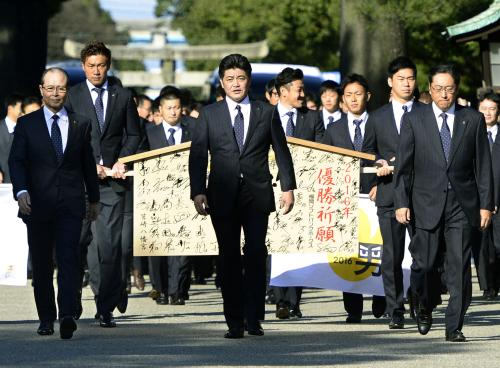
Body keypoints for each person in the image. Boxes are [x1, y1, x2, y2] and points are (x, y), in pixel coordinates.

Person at [189, 53, 296, 338]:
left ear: (249, 80)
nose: (236, 84)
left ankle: (253, 317)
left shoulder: (266, 112)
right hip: (221, 193)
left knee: (256, 253)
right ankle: (234, 321)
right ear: (222, 84)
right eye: (229, 79)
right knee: (228, 257)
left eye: (240, 78)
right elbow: (198, 155)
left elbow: (282, 151)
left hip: (256, 192)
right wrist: (197, 190)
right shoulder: (210, 115)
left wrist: (288, 187)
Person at [394, 64, 493, 342]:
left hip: (461, 203)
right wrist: (402, 201)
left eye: (449, 88)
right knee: (424, 265)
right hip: (425, 202)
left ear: (456, 89)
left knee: (459, 266)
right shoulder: (414, 118)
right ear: (429, 89)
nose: (444, 94)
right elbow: (404, 167)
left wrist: (486, 204)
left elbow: (482, 165)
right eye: (438, 88)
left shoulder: (471, 119)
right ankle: (423, 304)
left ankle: (454, 326)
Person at [8, 67, 99, 339]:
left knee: (70, 260)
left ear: (66, 91)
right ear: (41, 90)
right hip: (37, 204)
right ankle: (46, 318)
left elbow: (87, 165)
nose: (55, 93)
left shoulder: (80, 123)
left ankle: (67, 314)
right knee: (43, 264)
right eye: (50, 88)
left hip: (71, 204)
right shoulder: (27, 124)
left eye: (60, 88)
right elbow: (17, 161)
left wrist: (93, 199)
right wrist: (21, 190)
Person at [65, 40, 141, 328]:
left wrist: (124, 159)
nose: (97, 71)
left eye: (101, 65)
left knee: (107, 249)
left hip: (111, 185)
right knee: (74, 247)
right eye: (91, 66)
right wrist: (87, 163)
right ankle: (70, 306)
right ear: (83, 67)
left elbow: (134, 135)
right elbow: (64, 137)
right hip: (77, 184)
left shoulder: (123, 96)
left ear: (109, 65)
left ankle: (105, 306)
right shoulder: (71, 97)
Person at [322, 73, 386, 323]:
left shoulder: (380, 124)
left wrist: (383, 186)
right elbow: (325, 163)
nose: (353, 99)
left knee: (378, 250)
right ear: (342, 99)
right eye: (348, 95)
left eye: (358, 94)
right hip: (345, 200)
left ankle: (382, 297)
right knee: (348, 252)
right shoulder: (333, 129)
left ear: (367, 96)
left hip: (376, 195)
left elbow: (389, 157)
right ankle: (353, 308)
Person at [363, 56, 421, 329]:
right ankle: (395, 308)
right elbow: (367, 154)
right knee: (392, 256)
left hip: (422, 195)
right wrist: (376, 171)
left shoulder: (425, 112)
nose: (407, 84)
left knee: (425, 256)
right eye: (401, 79)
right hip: (388, 194)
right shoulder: (377, 117)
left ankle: (422, 304)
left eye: (411, 78)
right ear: (390, 82)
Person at [272, 67, 324, 320]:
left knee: (297, 245)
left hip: (303, 191)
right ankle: (278, 296)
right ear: (283, 92)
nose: (303, 93)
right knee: (275, 244)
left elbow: (322, 152)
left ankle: (293, 301)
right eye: (299, 89)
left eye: (303, 89)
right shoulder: (266, 116)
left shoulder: (312, 118)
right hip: (270, 189)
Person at [146, 86, 194, 305]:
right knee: (159, 248)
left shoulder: (193, 129)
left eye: (177, 108)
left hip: (186, 196)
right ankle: (160, 288)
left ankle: (176, 291)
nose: (173, 112)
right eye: (169, 108)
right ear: (160, 110)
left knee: (181, 246)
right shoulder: (149, 133)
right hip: (157, 198)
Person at [476, 92, 500, 300]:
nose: (488, 113)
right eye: (484, 109)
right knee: (483, 247)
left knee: (499, 245)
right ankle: (487, 286)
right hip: (480, 200)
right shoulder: (472, 135)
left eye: (492, 109)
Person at [0, 93, 24, 183]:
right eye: (20, 108)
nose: (23, 111)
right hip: (3, 185)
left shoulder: (27, 128)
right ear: (10, 108)